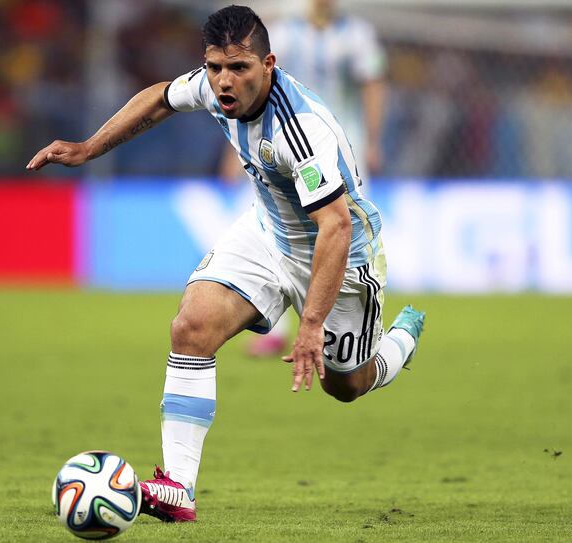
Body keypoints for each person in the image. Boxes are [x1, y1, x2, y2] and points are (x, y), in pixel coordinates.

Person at [27, 5, 424, 523]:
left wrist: (309, 325)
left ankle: (402, 339)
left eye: (238, 68)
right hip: (267, 232)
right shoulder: (214, 87)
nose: (223, 81)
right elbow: (159, 98)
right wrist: (87, 149)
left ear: (269, 64)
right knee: (191, 327)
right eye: (214, 67)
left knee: (344, 385)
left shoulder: (299, 131)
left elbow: (336, 226)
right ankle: (178, 488)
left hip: (340, 257)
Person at [239, 0, 388, 356]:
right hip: (285, 145)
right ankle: (276, 329)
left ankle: (361, 320)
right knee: (278, 228)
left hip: (343, 145)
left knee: (347, 227)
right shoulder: (284, 33)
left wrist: (374, 138)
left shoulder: (358, 35)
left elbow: (373, 85)